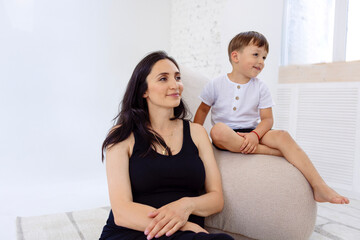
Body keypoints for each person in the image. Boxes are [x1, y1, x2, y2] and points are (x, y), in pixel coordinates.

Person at [194, 31, 349, 205]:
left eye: (264, 57)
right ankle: (275, 152)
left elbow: (267, 119)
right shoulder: (216, 84)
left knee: (282, 136)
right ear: (235, 56)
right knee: (217, 131)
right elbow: (202, 110)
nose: (261, 61)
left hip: (253, 130)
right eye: (256, 55)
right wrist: (194, 138)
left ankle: (319, 186)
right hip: (228, 134)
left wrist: (255, 135)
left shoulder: (261, 87)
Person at [100, 51, 234, 240]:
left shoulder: (196, 133)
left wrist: (185, 206)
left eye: (177, 77)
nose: (175, 85)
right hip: (133, 231)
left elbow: (216, 199)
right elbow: (122, 211)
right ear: (144, 90)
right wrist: (185, 226)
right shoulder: (122, 135)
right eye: (163, 79)